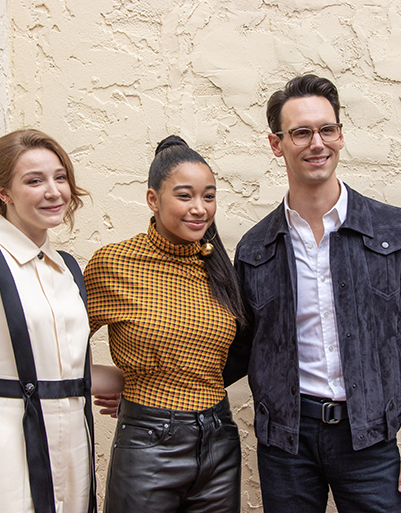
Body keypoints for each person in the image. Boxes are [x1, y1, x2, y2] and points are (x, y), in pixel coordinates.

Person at [223, 74, 401, 512]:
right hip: (287, 443)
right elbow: (238, 348)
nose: (316, 143)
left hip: (368, 439)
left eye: (327, 129)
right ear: (277, 144)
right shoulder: (255, 249)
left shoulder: (394, 230)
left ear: (341, 136)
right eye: (301, 132)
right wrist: (153, 387)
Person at [0, 129, 123, 513]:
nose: (54, 191)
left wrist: (142, 385)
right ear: (2, 192)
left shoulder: (68, 268)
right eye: (34, 180)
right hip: (7, 442)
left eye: (60, 177)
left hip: (75, 443)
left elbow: (76, 371)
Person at [83, 135, 246, 513]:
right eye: (185, 196)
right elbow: (57, 347)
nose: (200, 208)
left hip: (219, 441)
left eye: (209, 196)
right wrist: (128, 379)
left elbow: (233, 353)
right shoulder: (113, 264)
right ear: (153, 199)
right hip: (148, 444)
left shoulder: (219, 269)